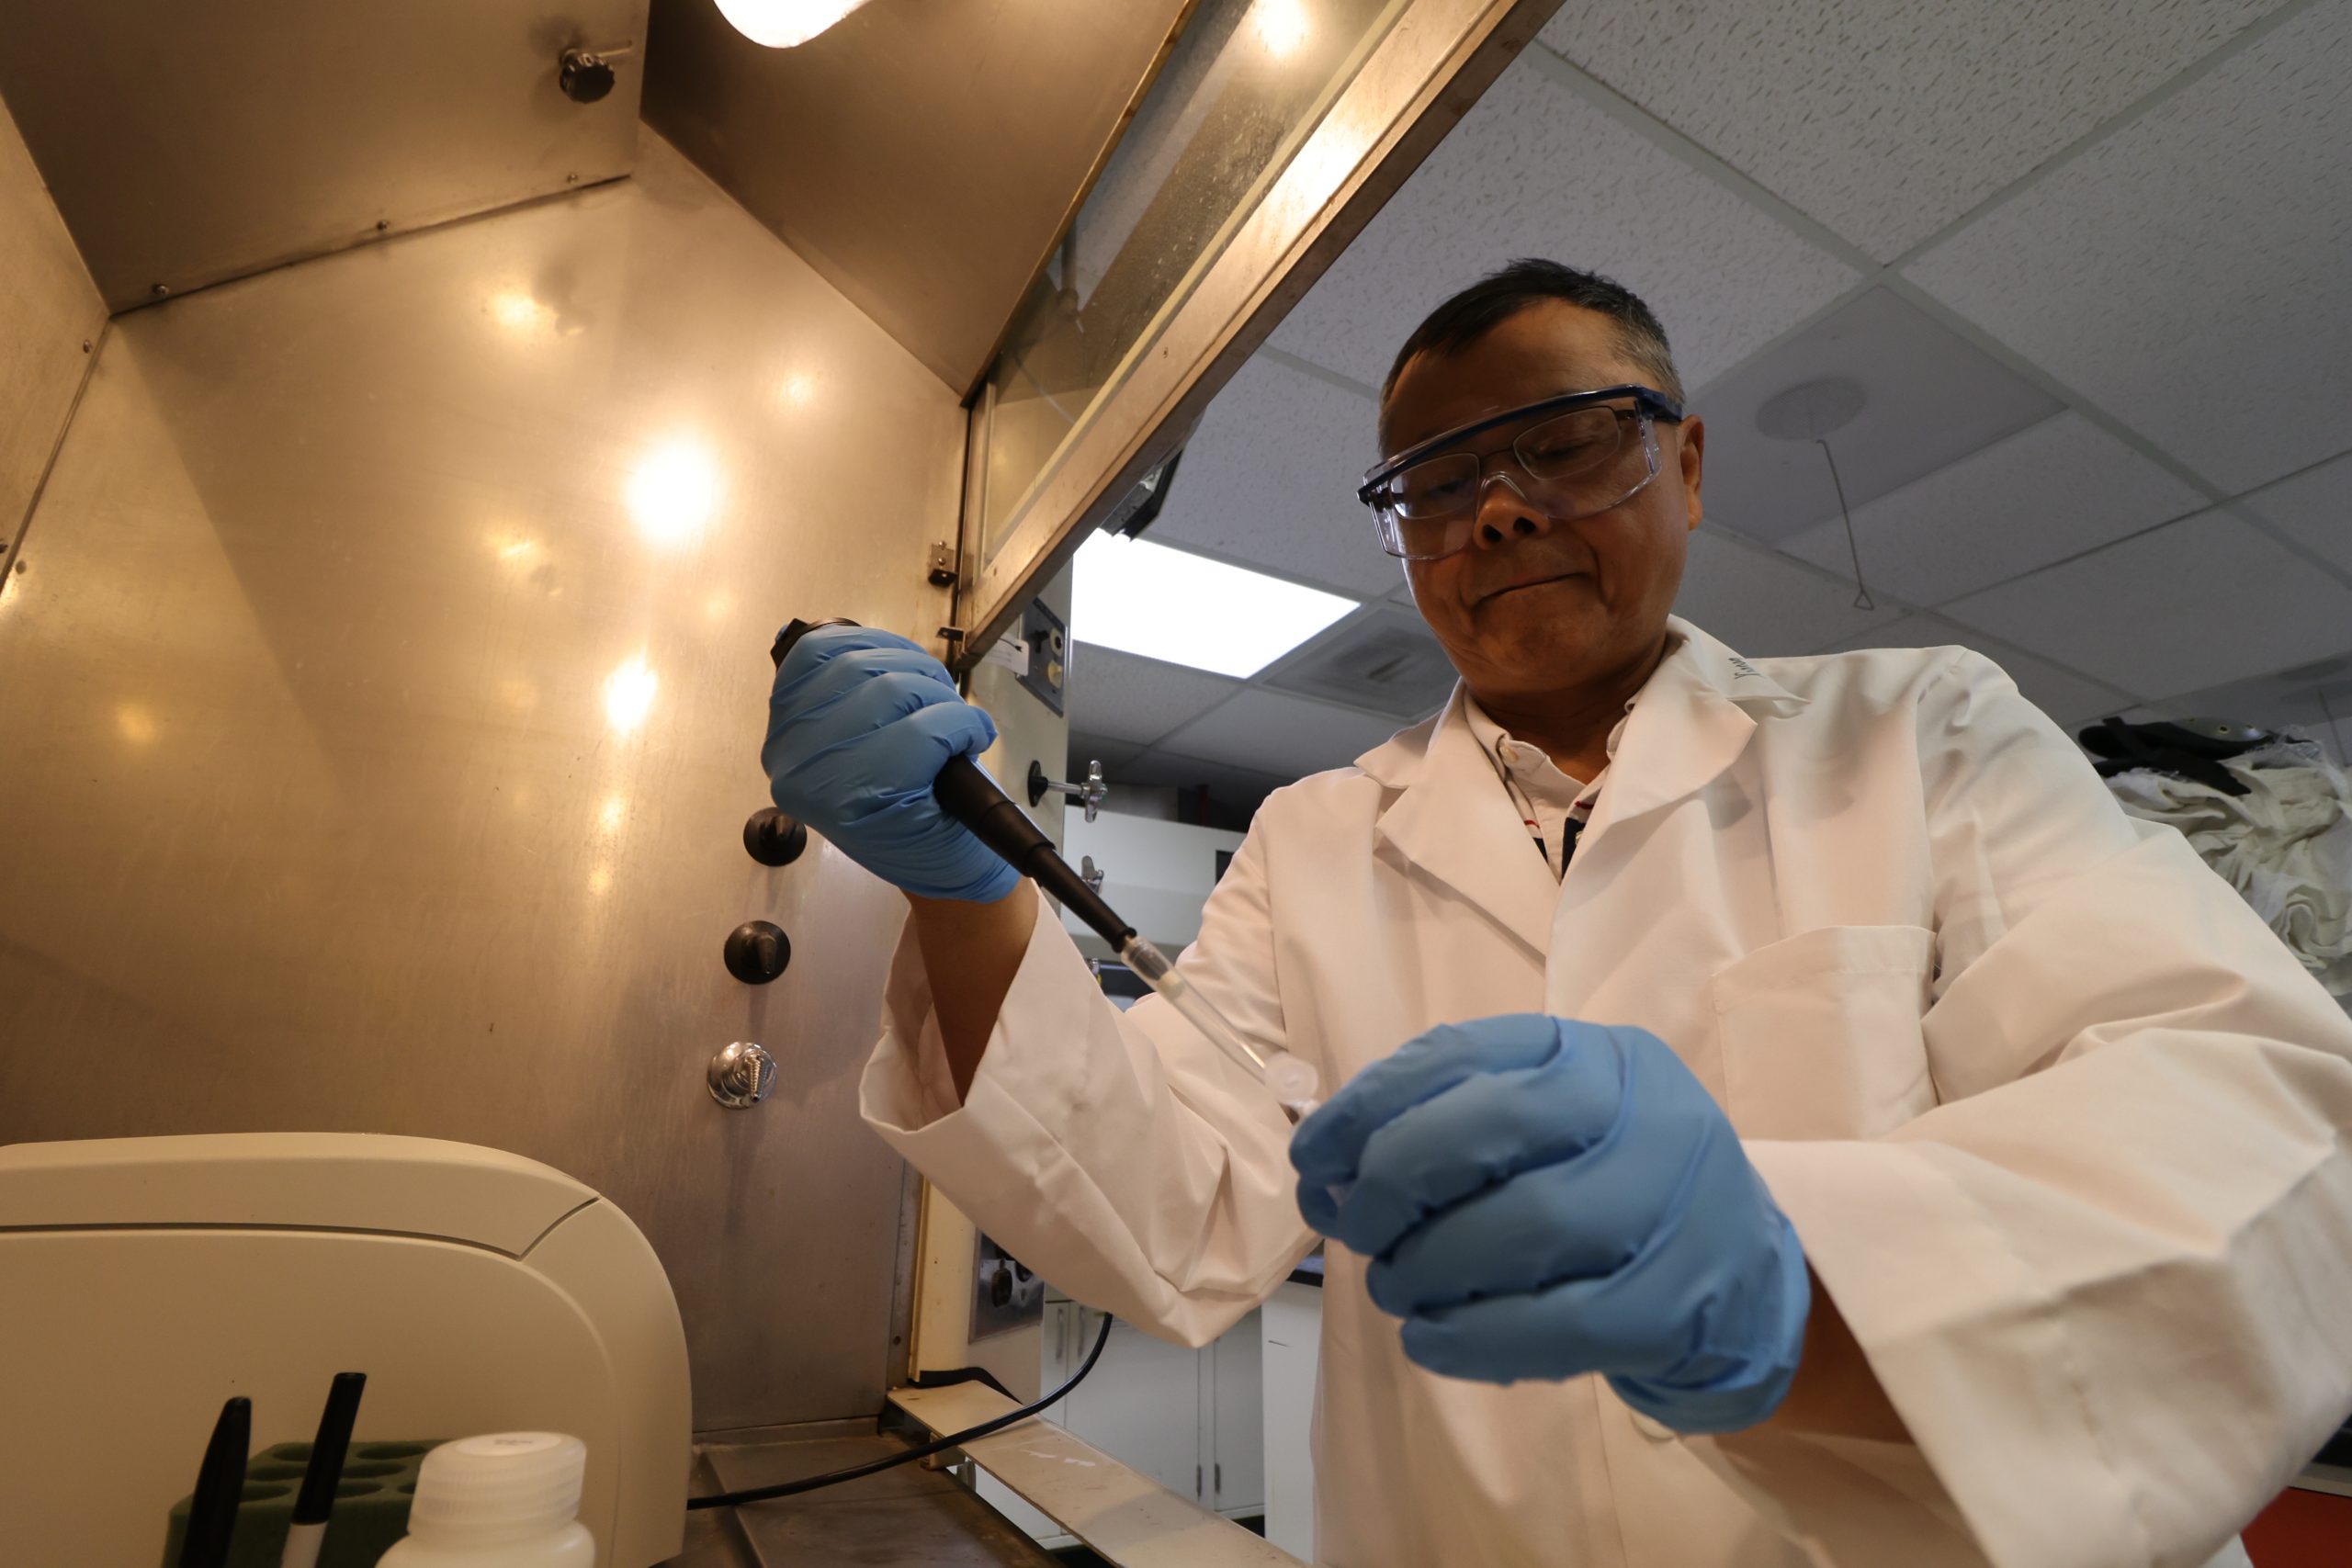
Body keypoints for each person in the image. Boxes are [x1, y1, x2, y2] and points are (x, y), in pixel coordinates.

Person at [761, 260, 2352, 1567]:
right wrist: (961, 898)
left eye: (1569, 443)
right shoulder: (1318, 838)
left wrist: (1788, 1274)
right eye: (1438, 484)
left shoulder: (1921, 733)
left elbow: (2251, 1124)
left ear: (1691, 463)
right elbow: (1173, 1212)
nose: (1499, 512)